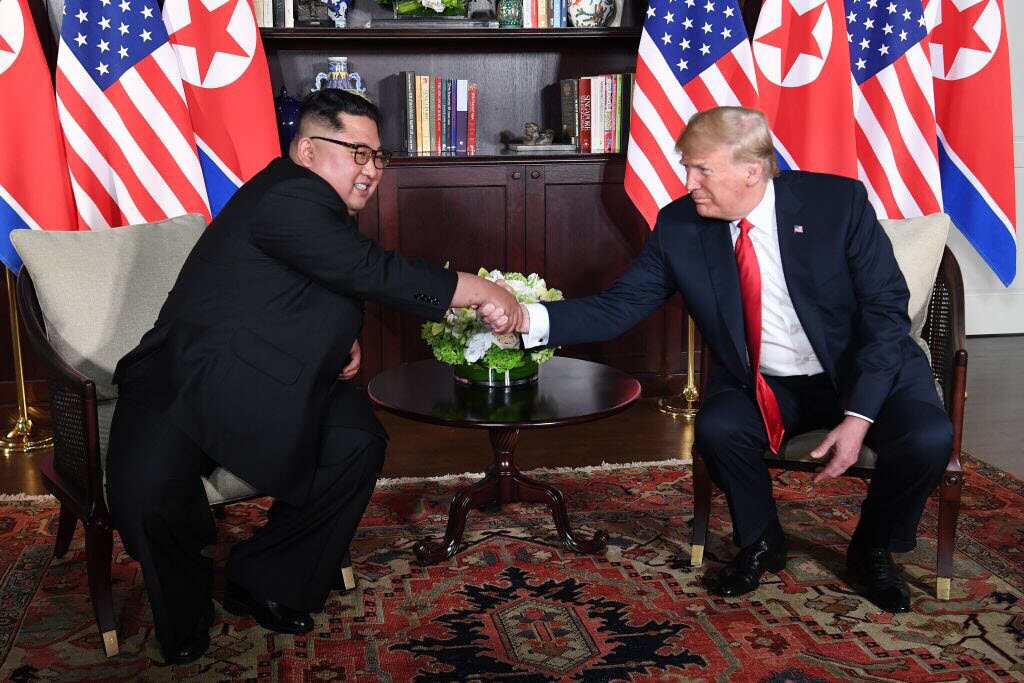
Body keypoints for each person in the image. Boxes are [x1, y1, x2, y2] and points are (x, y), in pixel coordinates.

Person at [106, 89, 522, 664]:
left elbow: (311, 283)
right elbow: (365, 270)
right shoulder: (289, 194)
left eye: (378, 157)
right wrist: (479, 290)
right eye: (357, 152)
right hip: (184, 376)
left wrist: (337, 339)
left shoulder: (317, 209)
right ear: (306, 150)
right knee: (148, 495)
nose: (371, 170)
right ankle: (186, 612)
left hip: (274, 375)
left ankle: (264, 576)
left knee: (357, 443)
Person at [488, 106, 952, 614]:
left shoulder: (836, 204)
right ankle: (761, 541)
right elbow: (620, 307)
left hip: (862, 368)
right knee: (719, 427)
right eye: (686, 168)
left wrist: (859, 416)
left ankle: (873, 546)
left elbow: (886, 316)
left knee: (928, 438)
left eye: (701, 169)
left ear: (752, 170)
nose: (688, 183)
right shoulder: (680, 226)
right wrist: (523, 319)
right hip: (763, 379)